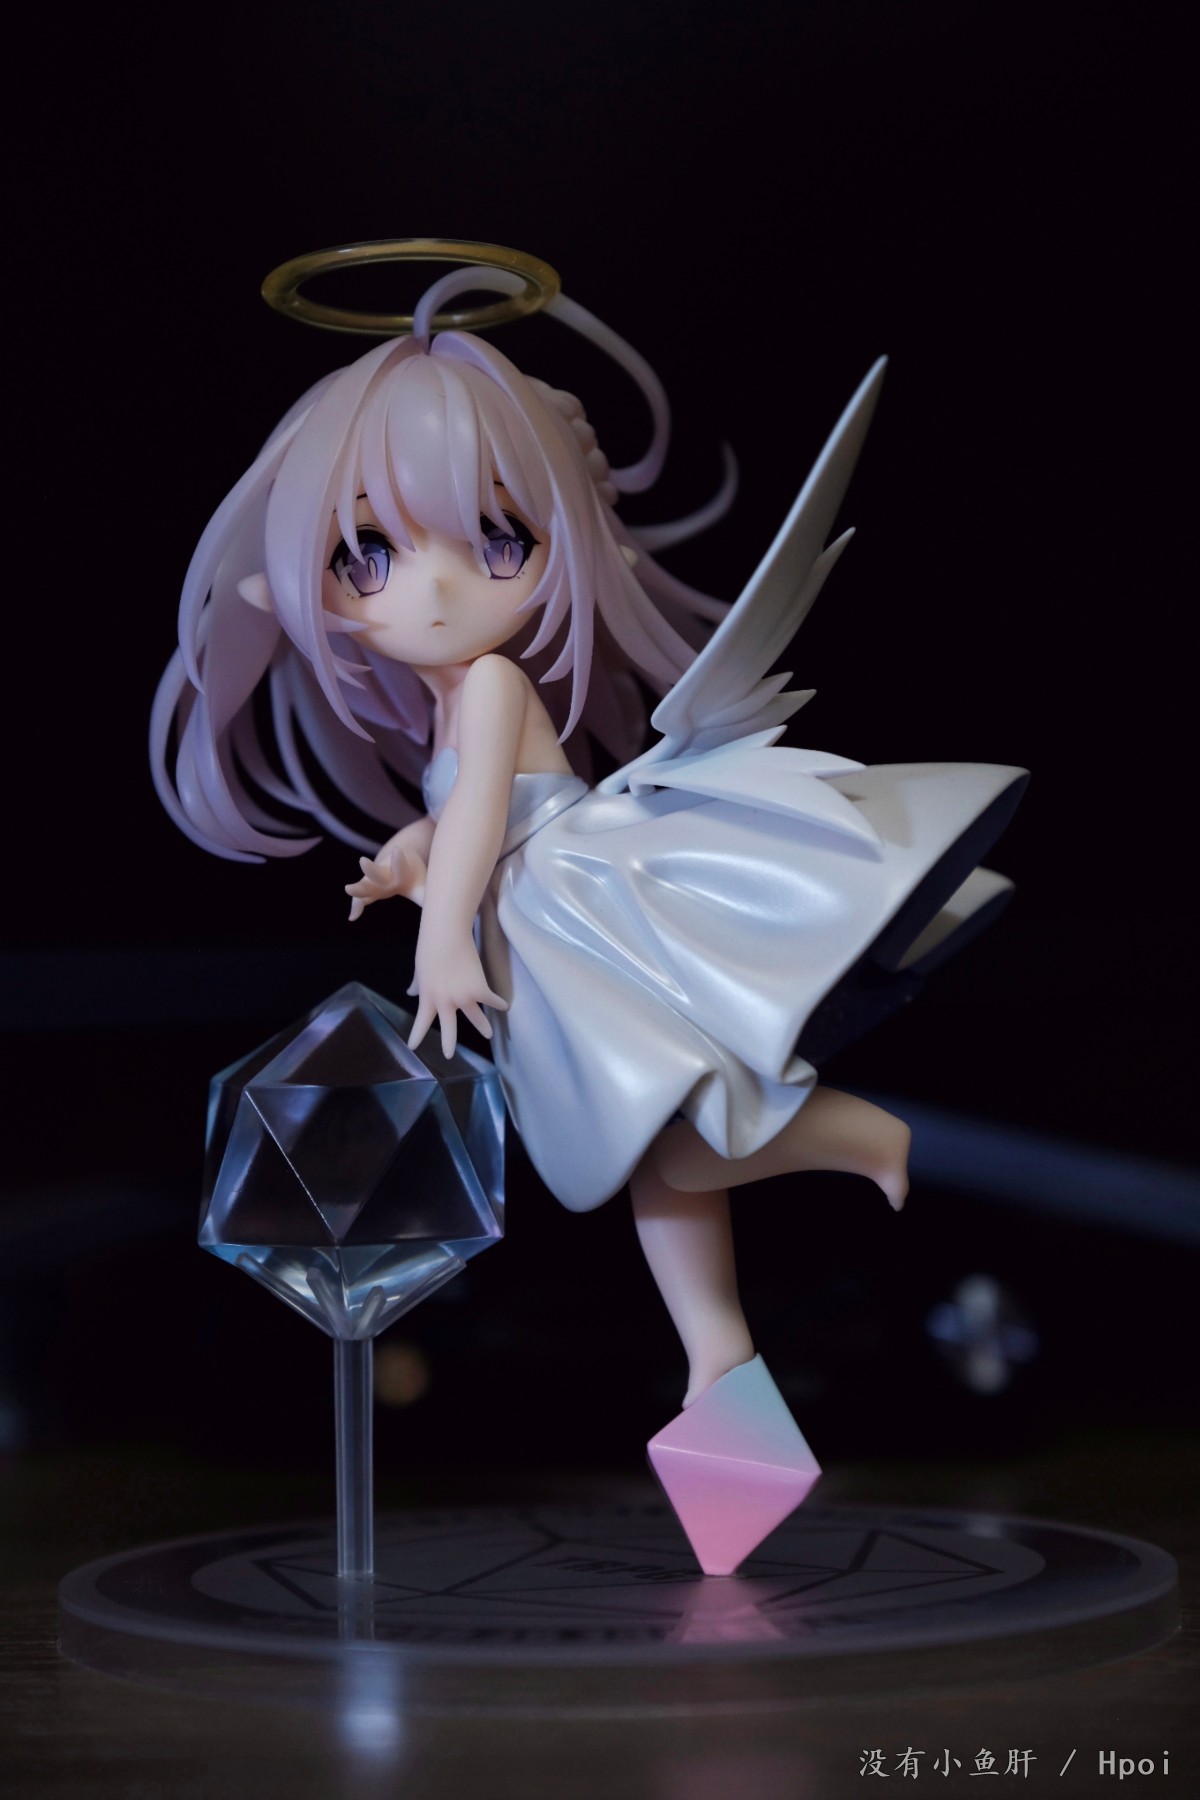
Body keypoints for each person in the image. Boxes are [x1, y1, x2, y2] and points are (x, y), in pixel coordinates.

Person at [154, 262, 1024, 1570]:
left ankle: (846, 1134)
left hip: (571, 913)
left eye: (495, 541)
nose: (431, 592)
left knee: (652, 1142)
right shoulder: (453, 699)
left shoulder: (494, 684)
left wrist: (441, 933)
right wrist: (404, 866)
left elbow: (485, 820)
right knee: (644, 1162)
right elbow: (455, 817)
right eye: (367, 553)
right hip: (534, 927)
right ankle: (720, 1363)